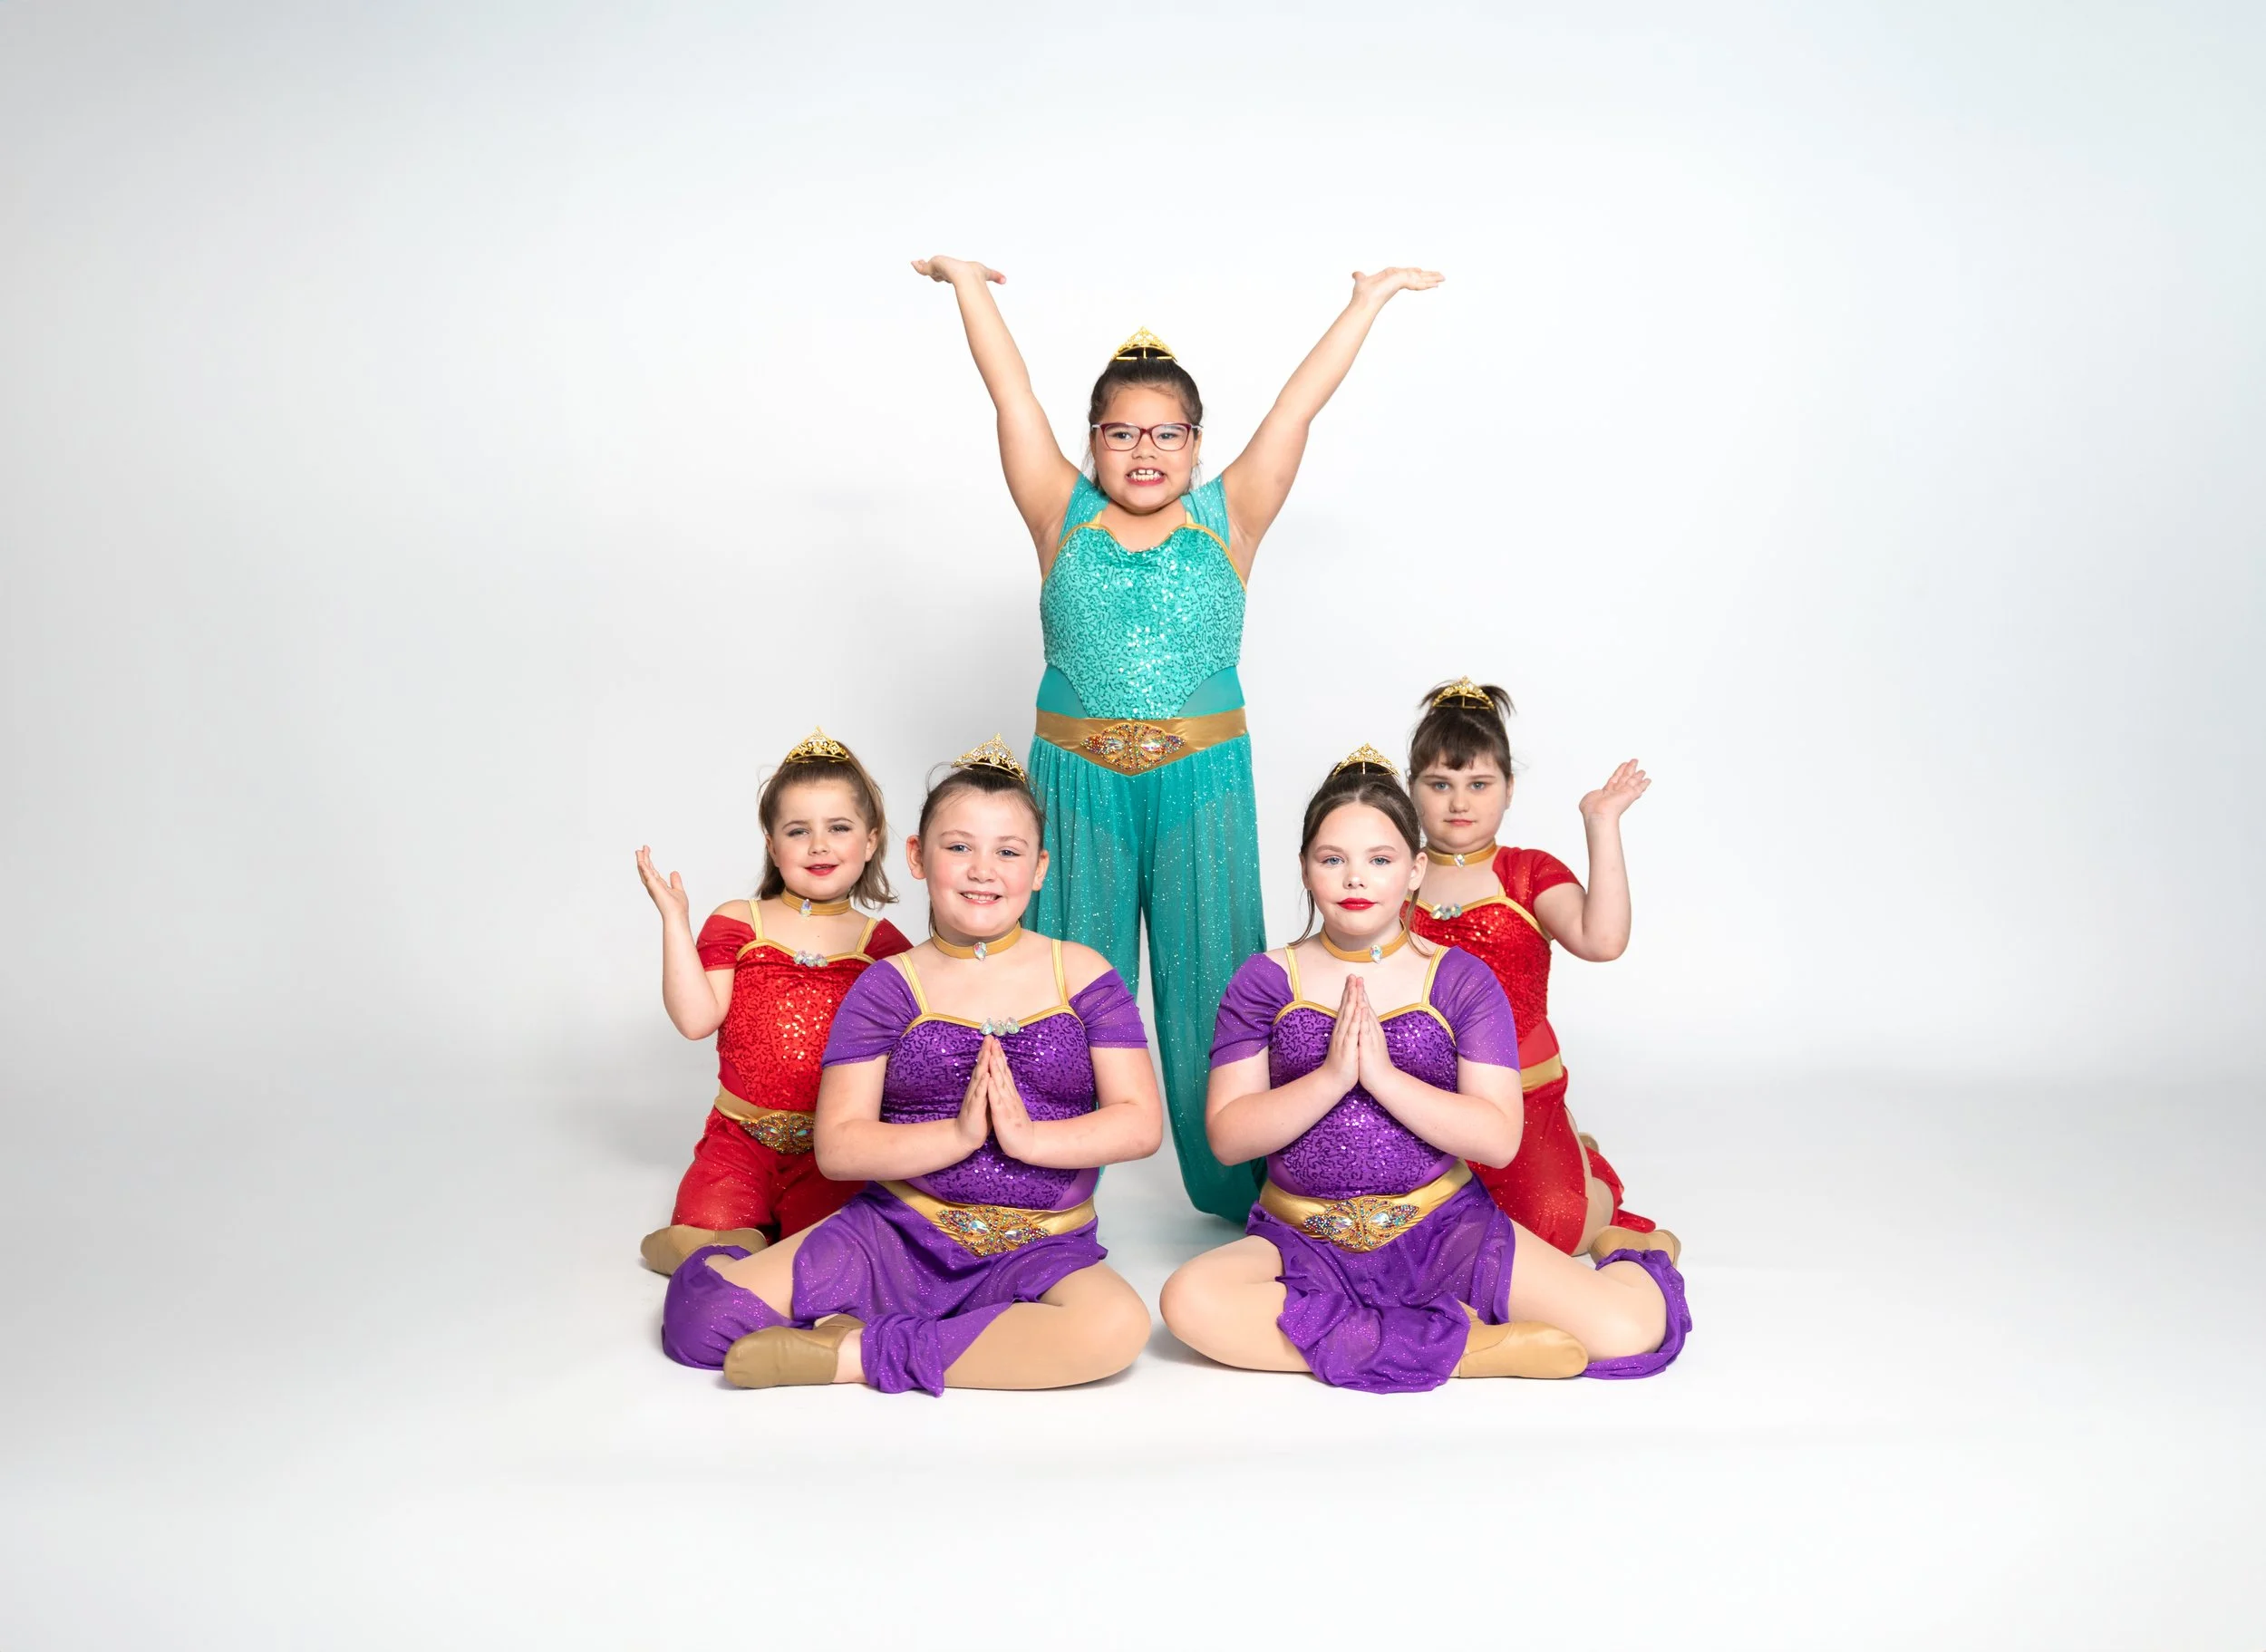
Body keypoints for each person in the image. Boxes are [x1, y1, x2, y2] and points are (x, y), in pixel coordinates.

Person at [913, 254, 1441, 1222]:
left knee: (1214, 977)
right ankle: (1038, 1178)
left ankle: (1245, 1187)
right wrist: (969, 289)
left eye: (1166, 434)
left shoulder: (1228, 515)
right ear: (1093, 443)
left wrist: (1363, 302)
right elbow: (1008, 392)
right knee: (1066, 978)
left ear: (1197, 445)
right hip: (1074, 784)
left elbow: (1296, 409)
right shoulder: (1057, 512)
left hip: (1201, 781)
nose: (1143, 451)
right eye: (1121, 434)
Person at [1157, 749, 1690, 1392]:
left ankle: (1639, 1255)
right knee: (1188, 1301)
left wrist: (1383, 1078)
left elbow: (1497, 1137)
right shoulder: (1267, 979)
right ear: (1304, 868)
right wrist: (1329, 1078)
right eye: (1333, 859)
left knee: (1629, 1326)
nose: (1356, 879)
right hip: (1303, 1237)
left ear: (1414, 870)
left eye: (1379, 860)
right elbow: (1229, 1135)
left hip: (1444, 1230)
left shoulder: (1460, 978)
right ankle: (1465, 1346)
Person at [660, 739, 1161, 1393]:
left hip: (1042, 1247)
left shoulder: (1082, 972)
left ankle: (860, 1351)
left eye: (1007, 851)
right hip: (898, 1235)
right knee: (697, 1320)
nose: (983, 869)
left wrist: (1031, 1138)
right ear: (919, 858)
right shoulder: (887, 984)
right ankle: (926, 1323)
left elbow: (1140, 1122)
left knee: (1115, 1327)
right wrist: (956, 1136)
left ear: (1038, 868)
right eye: (959, 847)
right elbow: (839, 1145)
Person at [1405, 678, 1679, 1261]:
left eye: (1479, 784)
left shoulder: (1526, 872)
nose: (1459, 802)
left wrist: (1600, 823)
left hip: (1521, 1097)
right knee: (1410, 1237)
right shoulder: (1392, 873)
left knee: (1550, 1233)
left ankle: (1585, 1170)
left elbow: (1602, 940)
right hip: (1417, 1100)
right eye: (1440, 784)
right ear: (1411, 790)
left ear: (1508, 789)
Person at [634, 729, 912, 1275]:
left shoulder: (883, 948)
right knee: (712, 1255)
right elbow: (696, 1020)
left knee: (831, 1263)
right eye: (798, 830)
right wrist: (675, 921)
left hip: (832, 1150)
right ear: (771, 844)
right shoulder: (740, 920)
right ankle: (710, 1243)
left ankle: (771, 1249)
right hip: (739, 1140)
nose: (819, 845)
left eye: (839, 828)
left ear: (871, 841)